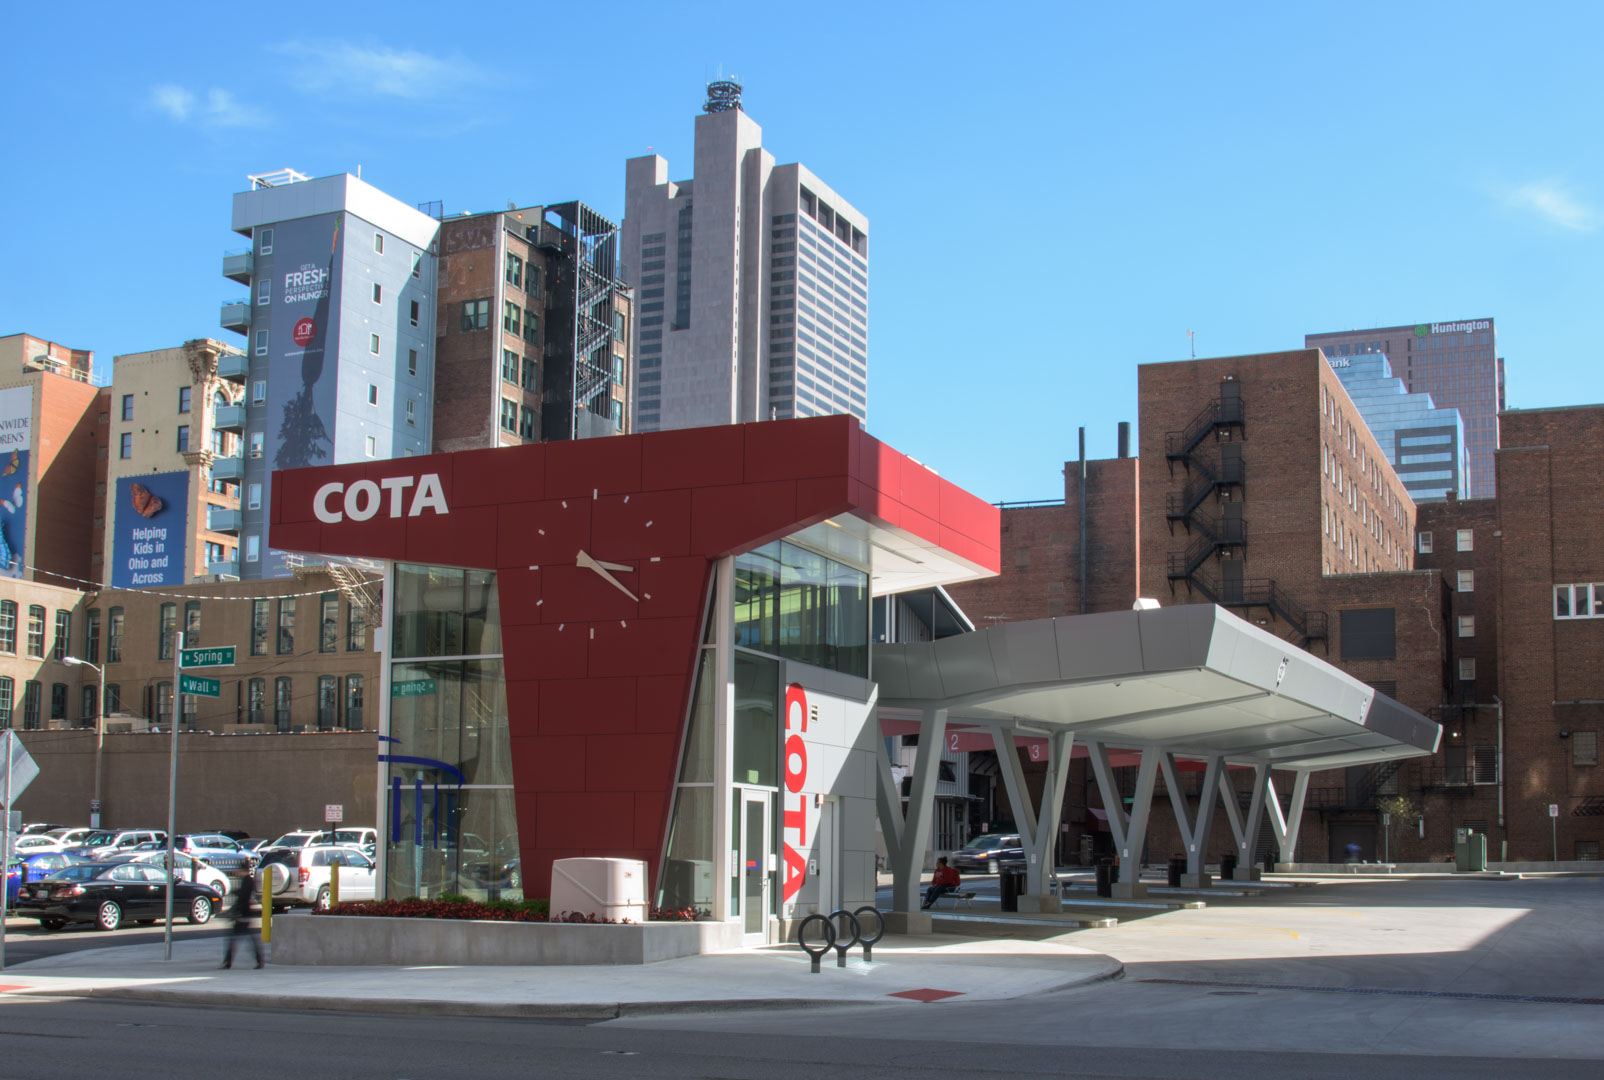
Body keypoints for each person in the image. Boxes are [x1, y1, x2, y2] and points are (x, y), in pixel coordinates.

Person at [221, 869, 264, 969]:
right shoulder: (246, 879)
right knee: (247, 940)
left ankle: (228, 962)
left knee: (234, 939)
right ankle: (259, 960)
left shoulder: (247, 880)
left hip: (243, 915)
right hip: (245, 914)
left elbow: (243, 897)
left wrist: (236, 911)